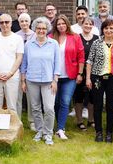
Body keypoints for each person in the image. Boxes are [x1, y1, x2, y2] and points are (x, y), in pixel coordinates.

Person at [21, 17, 60, 145]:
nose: (41, 30)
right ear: (35, 29)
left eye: (44, 28)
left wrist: (55, 80)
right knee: (35, 108)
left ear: (47, 29)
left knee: (49, 108)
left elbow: (57, 64)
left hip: (49, 81)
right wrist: (23, 81)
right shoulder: (28, 44)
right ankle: (39, 130)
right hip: (32, 80)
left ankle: (48, 133)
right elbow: (24, 64)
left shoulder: (53, 44)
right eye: (39, 28)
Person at [86, 19, 113, 143]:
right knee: (97, 105)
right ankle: (98, 132)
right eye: (106, 28)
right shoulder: (96, 43)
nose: (109, 30)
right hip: (97, 77)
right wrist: (88, 78)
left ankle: (109, 132)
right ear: (102, 29)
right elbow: (89, 62)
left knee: (110, 106)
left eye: (111, 28)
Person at [49, 15, 84, 140]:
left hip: (70, 75)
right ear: (55, 26)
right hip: (54, 77)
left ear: (67, 24)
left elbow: (81, 56)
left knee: (65, 101)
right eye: (58, 24)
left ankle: (60, 128)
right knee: (55, 102)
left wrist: (80, 73)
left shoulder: (75, 37)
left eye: (63, 23)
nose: (61, 26)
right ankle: (57, 125)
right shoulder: (51, 37)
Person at [0, 14, 24, 115]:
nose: (4, 25)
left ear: (11, 23)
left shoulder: (18, 38)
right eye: (1, 22)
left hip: (12, 76)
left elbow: (19, 57)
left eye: (7, 22)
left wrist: (10, 73)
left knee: (12, 106)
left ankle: (14, 129)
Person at [74, 17, 98, 130]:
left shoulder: (97, 38)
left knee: (92, 96)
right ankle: (79, 120)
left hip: (94, 71)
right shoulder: (76, 37)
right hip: (80, 71)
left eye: (90, 24)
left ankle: (91, 119)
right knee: (79, 95)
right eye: (86, 23)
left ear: (92, 26)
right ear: (82, 25)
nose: (88, 26)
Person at [15, 13, 35, 130]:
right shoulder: (15, 36)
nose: (24, 23)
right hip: (17, 70)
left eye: (26, 21)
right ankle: (17, 120)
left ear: (30, 22)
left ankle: (32, 121)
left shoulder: (35, 35)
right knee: (17, 97)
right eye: (21, 21)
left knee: (31, 98)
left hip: (31, 71)